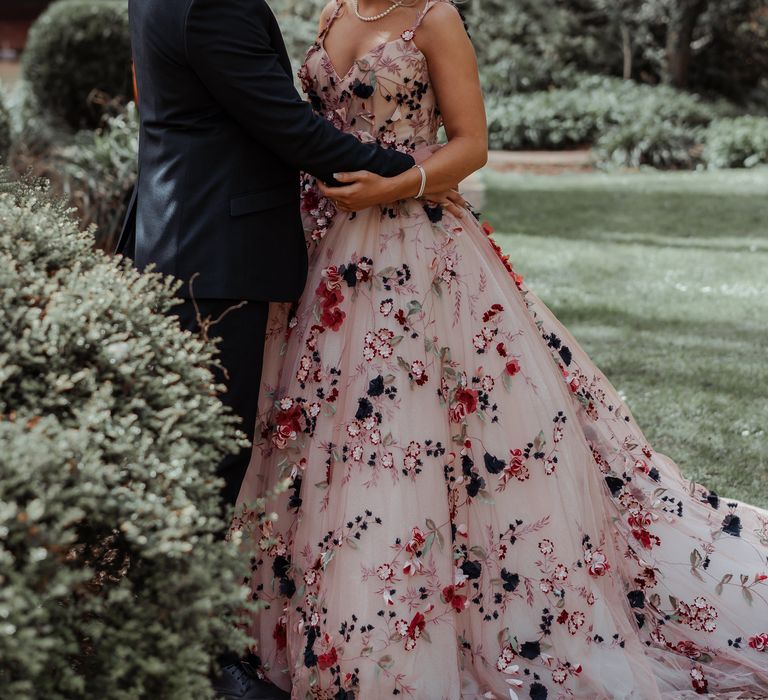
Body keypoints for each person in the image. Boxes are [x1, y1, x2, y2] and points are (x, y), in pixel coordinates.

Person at [234, 1, 768, 698]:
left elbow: (471, 143)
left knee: (412, 429)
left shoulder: (434, 18)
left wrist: (393, 185)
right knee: (320, 433)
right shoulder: (333, 11)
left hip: (412, 252)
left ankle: (412, 624)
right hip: (320, 254)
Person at [118, 0, 463, 697]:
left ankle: (183, 631)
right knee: (215, 463)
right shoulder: (215, 6)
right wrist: (404, 176)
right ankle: (191, 656)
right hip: (214, 253)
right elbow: (285, 125)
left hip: (182, 231)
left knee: (210, 455)